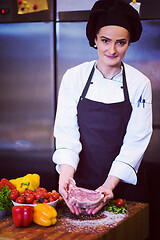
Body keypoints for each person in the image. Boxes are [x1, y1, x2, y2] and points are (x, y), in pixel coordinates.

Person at [53, 0, 152, 215]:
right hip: (79, 184)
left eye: (121, 42)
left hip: (123, 185)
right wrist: (66, 175)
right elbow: (66, 133)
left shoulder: (139, 83)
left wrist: (109, 185)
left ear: (128, 43)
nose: (112, 50)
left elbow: (137, 139)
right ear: (95, 40)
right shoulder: (74, 77)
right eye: (105, 41)